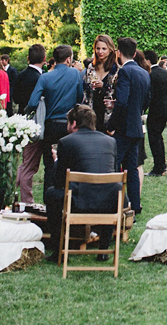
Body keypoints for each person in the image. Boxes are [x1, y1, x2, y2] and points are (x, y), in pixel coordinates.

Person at [43, 105, 122, 262]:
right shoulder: (110, 141)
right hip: (110, 201)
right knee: (112, 190)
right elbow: (112, 173)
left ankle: (58, 248)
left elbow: (59, 182)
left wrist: (57, 161)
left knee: (52, 194)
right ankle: (104, 249)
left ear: (73, 124)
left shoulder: (66, 142)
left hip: (79, 203)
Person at [27, 44, 85, 195]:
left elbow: (32, 103)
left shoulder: (45, 77)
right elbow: (80, 97)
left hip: (50, 126)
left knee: (50, 165)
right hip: (70, 126)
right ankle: (69, 197)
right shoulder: (75, 74)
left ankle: (49, 199)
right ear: (68, 59)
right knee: (70, 164)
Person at [112, 37, 150, 214]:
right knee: (132, 168)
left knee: (114, 166)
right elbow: (146, 100)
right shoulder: (143, 72)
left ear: (118, 53)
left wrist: (111, 124)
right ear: (134, 53)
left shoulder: (125, 72)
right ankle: (135, 204)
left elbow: (121, 102)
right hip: (136, 125)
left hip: (123, 127)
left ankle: (112, 203)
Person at [14, 44, 46, 205]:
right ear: (45, 59)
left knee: (26, 161)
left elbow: (15, 98)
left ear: (28, 58)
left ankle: (11, 189)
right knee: (30, 165)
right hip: (36, 123)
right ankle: (27, 200)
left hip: (22, 121)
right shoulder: (41, 78)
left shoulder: (20, 75)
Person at [145, 50, 167, 177]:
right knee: (158, 137)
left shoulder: (150, 74)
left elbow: (149, 94)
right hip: (166, 108)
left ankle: (158, 167)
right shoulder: (165, 73)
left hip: (156, 109)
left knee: (154, 138)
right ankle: (162, 165)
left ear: (148, 60)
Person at [84, 35, 119, 132]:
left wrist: (104, 86)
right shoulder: (91, 67)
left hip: (108, 113)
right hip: (92, 111)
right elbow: (86, 90)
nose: (100, 52)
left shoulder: (116, 69)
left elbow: (117, 92)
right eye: (98, 48)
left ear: (110, 49)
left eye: (104, 49)